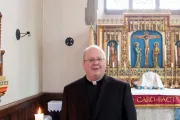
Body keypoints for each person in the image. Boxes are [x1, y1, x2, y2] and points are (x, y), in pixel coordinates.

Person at [60, 45, 137, 120]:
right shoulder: (70, 90)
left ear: (105, 62)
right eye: (91, 60)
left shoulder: (121, 88)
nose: (95, 63)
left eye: (99, 59)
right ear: (83, 64)